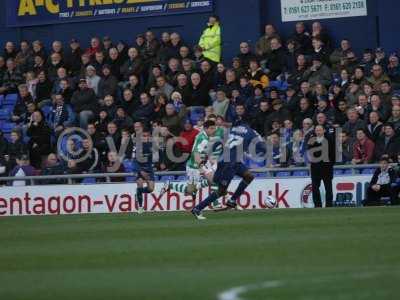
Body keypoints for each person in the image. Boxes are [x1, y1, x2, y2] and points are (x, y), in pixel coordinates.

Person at [191, 119, 266, 220]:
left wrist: (206, 155)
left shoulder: (233, 129)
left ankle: (232, 200)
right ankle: (198, 208)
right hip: (228, 164)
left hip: (231, 161)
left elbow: (219, 142)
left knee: (249, 176)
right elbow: (262, 148)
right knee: (221, 190)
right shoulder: (251, 132)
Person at [160, 120, 223, 207]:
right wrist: (202, 168)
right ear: (206, 129)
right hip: (194, 166)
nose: (214, 130)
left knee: (213, 179)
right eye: (211, 128)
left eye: (214, 128)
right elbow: (196, 154)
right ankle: (169, 184)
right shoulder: (203, 139)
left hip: (202, 162)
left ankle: (215, 202)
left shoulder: (204, 134)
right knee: (189, 190)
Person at [307, 125, 335, 208]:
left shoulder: (329, 139)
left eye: (320, 130)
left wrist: (330, 164)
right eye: (317, 130)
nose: (318, 132)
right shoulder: (311, 140)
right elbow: (309, 153)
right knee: (315, 188)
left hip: (327, 168)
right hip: (315, 168)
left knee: (328, 188)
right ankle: (317, 205)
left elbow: (333, 153)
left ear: (324, 131)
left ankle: (329, 205)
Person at [134, 128, 155, 214]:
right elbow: (134, 161)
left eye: (147, 136)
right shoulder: (137, 147)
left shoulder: (152, 145)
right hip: (140, 169)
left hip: (149, 169)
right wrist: (141, 171)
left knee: (151, 189)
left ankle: (138, 192)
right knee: (140, 183)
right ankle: (140, 207)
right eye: (143, 136)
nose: (145, 137)